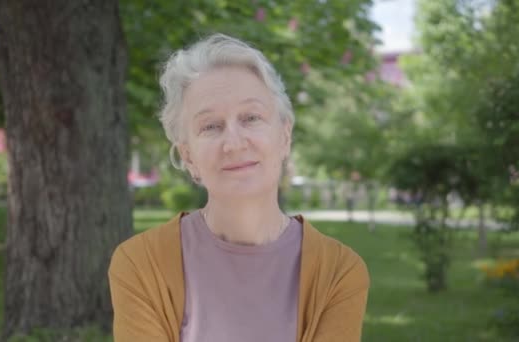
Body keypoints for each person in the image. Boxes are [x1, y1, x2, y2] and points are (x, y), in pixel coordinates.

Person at [108, 33, 370, 342]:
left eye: (251, 118)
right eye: (211, 126)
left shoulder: (339, 272)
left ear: (284, 136)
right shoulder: (140, 264)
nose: (233, 143)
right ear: (188, 155)